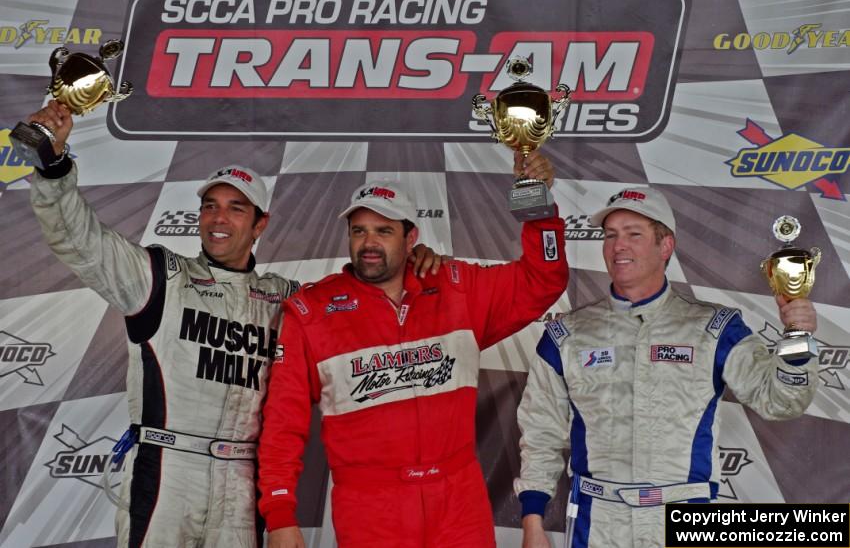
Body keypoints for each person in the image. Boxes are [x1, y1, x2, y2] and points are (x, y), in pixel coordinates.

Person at [25, 100, 441, 548]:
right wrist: (53, 170)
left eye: (237, 208)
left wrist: (411, 263)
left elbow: (355, 304)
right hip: (167, 471)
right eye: (210, 206)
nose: (219, 218)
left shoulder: (285, 298)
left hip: (243, 479)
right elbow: (80, 240)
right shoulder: (160, 276)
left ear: (261, 224)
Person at [258, 152, 569, 548]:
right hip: (371, 507)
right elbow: (283, 424)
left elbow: (543, 280)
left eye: (383, 231)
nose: (369, 243)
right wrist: (281, 514)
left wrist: (538, 208)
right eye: (359, 231)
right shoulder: (311, 312)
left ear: (410, 238)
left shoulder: (458, 288)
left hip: (458, 500)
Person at [514, 186, 819, 548]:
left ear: (666, 247)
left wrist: (797, 337)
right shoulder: (567, 334)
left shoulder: (714, 328)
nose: (618, 246)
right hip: (597, 522)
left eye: (634, 234)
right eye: (611, 235)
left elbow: (780, 401)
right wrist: (532, 521)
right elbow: (540, 432)